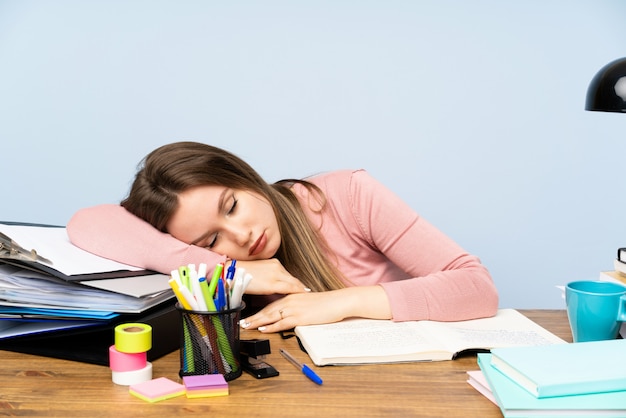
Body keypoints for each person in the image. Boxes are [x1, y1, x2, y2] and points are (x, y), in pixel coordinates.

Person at [67, 141, 498, 333]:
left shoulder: (344, 194)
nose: (241, 235)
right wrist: (231, 271)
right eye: (211, 240)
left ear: (243, 177)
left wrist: (338, 301)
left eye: (232, 206)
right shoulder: (227, 267)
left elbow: (477, 288)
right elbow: (86, 222)